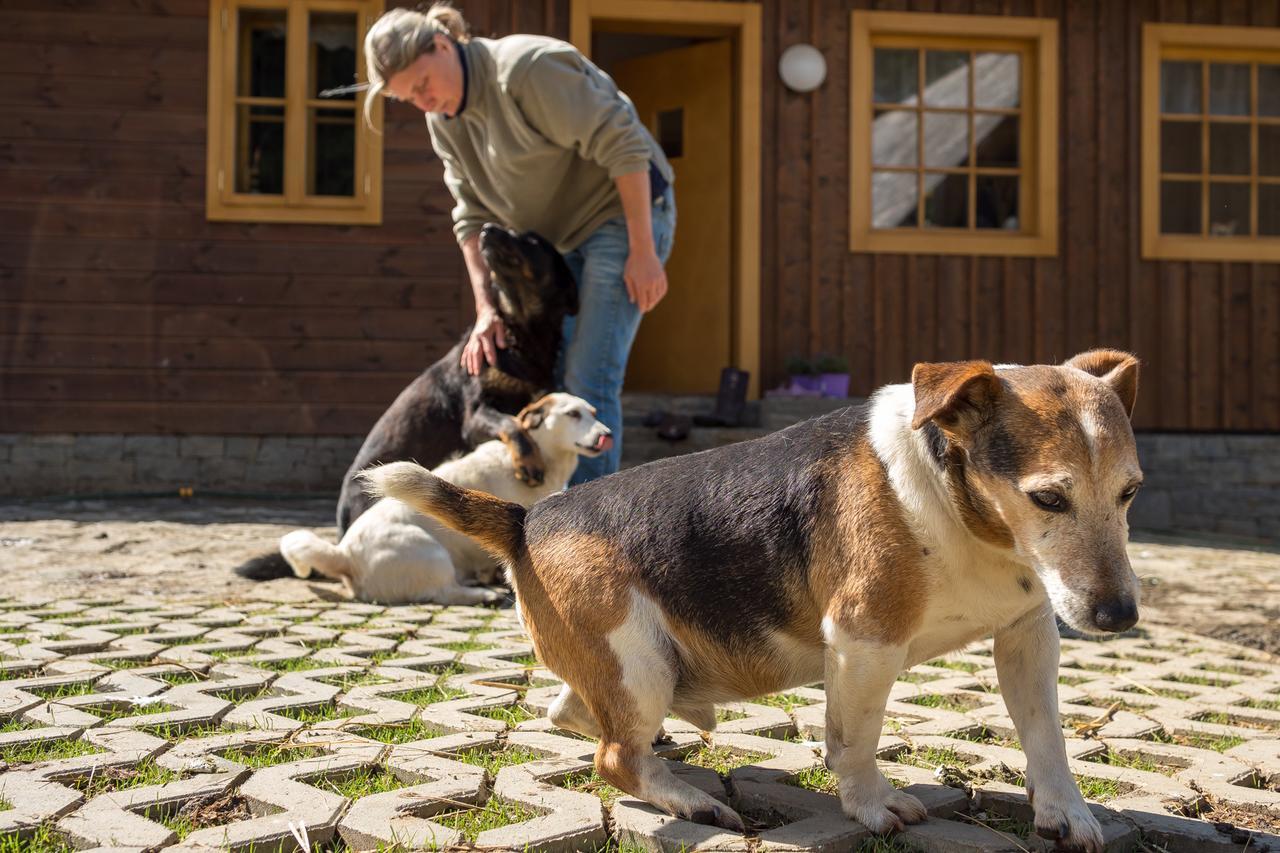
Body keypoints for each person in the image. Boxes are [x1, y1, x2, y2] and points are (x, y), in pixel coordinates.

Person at [363, 4, 676, 485]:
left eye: (423, 84)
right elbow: (469, 214)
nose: (423, 102)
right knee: (555, 387)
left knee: (590, 377)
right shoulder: (444, 120)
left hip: (621, 216)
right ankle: (561, 526)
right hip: (556, 241)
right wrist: (486, 308)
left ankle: (592, 542)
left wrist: (643, 250)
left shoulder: (527, 70)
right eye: (410, 99)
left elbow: (625, 145)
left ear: (443, 46)